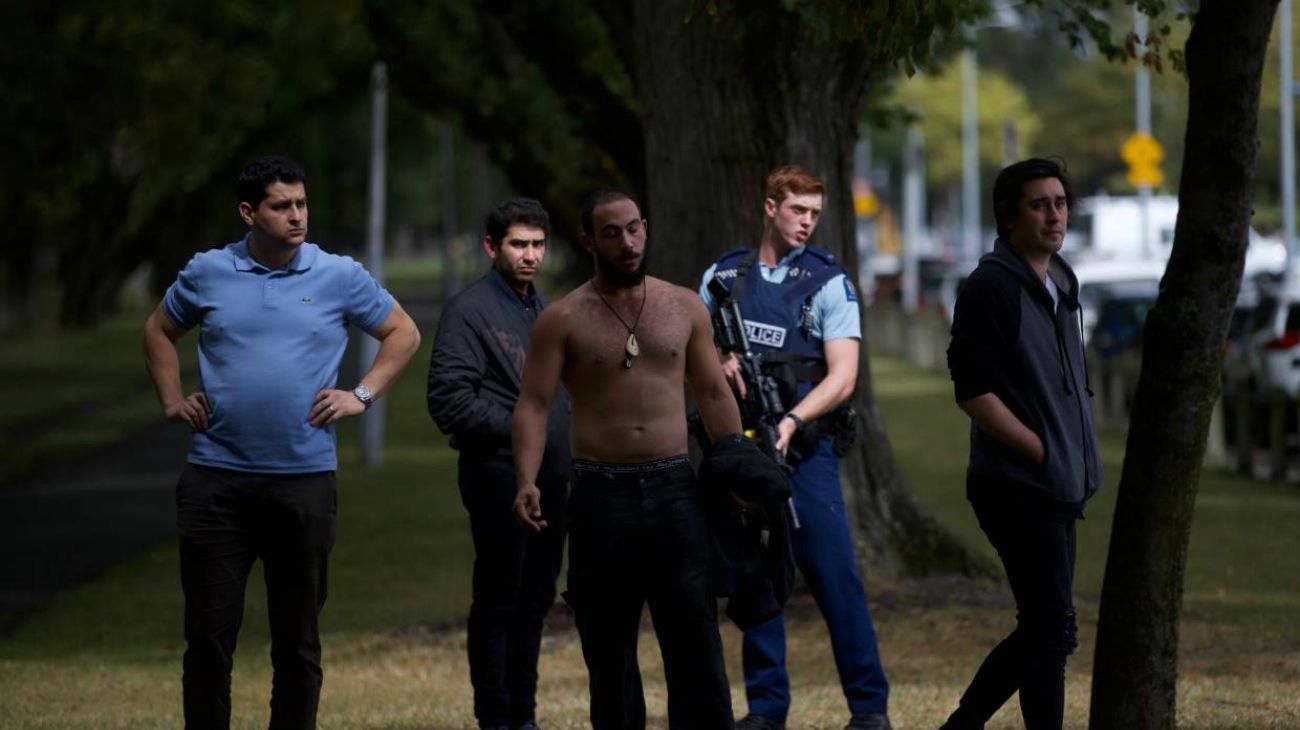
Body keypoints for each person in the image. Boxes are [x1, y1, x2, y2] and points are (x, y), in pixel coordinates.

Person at [142, 155, 421, 730]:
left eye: (302, 203)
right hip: (216, 485)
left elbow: (403, 332)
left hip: (304, 485)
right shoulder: (208, 272)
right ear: (249, 212)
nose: (297, 216)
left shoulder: (338, 274)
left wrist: (360, 396)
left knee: (297, 645)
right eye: (281, 206)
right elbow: (158, 330)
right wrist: (172, 402)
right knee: (209, 641)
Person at [511, 190, 742, 730]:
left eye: (634, 228)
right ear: (590, 241)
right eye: (612, 233)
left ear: (646, 228)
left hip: (674, 490)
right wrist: (526, 479)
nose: (628, 241)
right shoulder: (562, 318)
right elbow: (534, 405)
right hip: (600, 495)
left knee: (694, 637)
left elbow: (711, 392)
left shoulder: (684, 305)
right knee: (608, 646)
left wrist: (734, 467)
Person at [698, 164, 891, 730]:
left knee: (835, 576)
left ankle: (868, 706)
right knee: (756, 574)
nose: (806, 222)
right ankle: (765, 708)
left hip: (805, 450)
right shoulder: (721, 277)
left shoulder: (829, 281)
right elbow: (687, 349)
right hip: (741, 451)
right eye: (797, 210)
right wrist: (719, 361)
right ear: (769, 207)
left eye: (814, 213)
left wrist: (791, 419)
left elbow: (843, 377)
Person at [942, 158, 1103, 730]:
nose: (1054, 214)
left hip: (1057, 482)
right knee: (1050, 628)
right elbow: (972, 390)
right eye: (1039, 204)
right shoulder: (990, 287)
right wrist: (1039, 448)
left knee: (1047, 627)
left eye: (1060, 203)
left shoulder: (1061, 278)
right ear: (1009, 216)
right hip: (1014, 485)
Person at [427, 198, 571, 730]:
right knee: (499, 600)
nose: (530, 255)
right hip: (497, 477)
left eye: (537, 244)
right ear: (493, 247)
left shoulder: (542, 307)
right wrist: (523, 427)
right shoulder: (469, 310)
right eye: (518, 244)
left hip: (554, 479)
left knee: (535, 600)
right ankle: (496, 717)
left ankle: (523, 715)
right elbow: (447, 400)